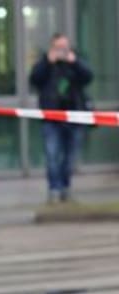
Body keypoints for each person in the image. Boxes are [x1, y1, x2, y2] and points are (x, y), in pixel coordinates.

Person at [28, 33, 93, 203]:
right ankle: (54, 189)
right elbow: (34, 79)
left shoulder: (75, 62)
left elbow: (88, 77)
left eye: (64, 47)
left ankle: (65, 187)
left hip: (74, 117)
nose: (62, 51)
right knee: (52, 155)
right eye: (58, 48)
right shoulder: (45, 63)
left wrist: (75, 62)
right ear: (52, 47)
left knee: (70, 156)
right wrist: (47, 62)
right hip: (51, 118)